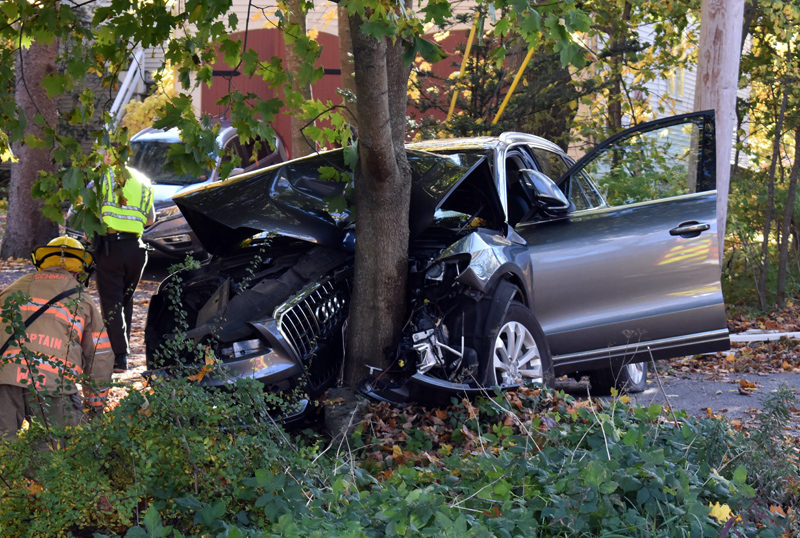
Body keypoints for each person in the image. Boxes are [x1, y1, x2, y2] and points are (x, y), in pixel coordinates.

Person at [0, 236, 114, 440]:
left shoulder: (12, 289)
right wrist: (96, 406)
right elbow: (99, 357)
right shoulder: (82, 300)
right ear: (79, 271)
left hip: (4, 380)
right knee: (58, 456)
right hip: (53, 386)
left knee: (4, 452)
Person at [94, 147, 155, 373]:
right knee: (125, 300)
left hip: (111, 247)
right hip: (137, 250)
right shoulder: (143, 180)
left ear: (110, 156)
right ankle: (123, 355)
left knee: (111, 302)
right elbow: (149, 220)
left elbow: (92, 212)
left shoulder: (103, 178)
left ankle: (118, 359)